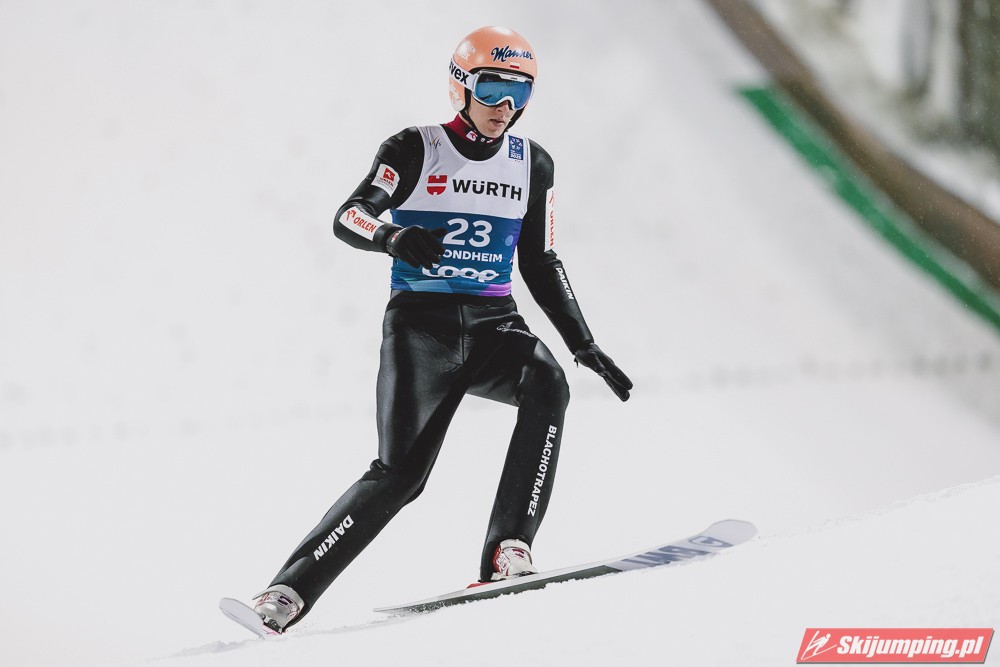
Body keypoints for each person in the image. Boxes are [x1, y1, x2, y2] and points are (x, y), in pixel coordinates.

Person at [249, 25, 632, 633]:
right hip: (421, 330)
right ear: (461, 87)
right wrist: (392, 235)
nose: (505, 107)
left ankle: (509, 548)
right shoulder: (413, 147)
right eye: (492, 90)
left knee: (548, 382)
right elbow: (349, 216)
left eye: (519, 94)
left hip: (495, 325)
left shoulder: (532, 163)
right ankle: (285, 594)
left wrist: (581, 342)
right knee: (401, 477)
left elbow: (540, 260)